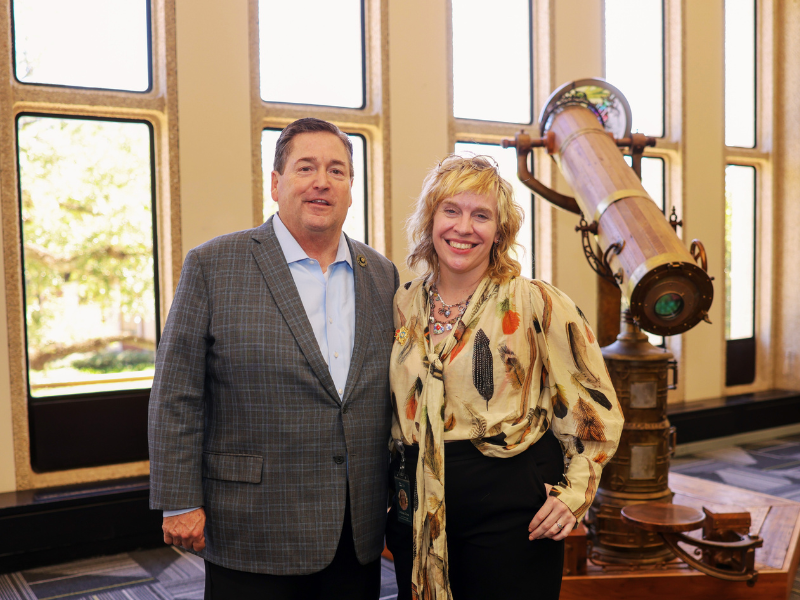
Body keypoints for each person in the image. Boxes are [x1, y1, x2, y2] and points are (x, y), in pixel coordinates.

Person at [148, 117, 399, 600]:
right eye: (306, 168)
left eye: (337, 171)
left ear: (351, 189)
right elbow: (176, 392)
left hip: (355, 529)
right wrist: (178, 500)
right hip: (253, 526)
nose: (322, 182)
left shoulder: (381, 275)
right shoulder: (214, 265)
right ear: (276, 183)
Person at [385, 155, 624, 599]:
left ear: (499, 231)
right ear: (430, 219)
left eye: (481, 215)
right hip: (417, 500)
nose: (464, 227)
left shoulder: (534, 302)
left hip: (509, 506)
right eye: (451, 210)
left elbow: (595, 407)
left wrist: (574, 496)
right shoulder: (405, 303)